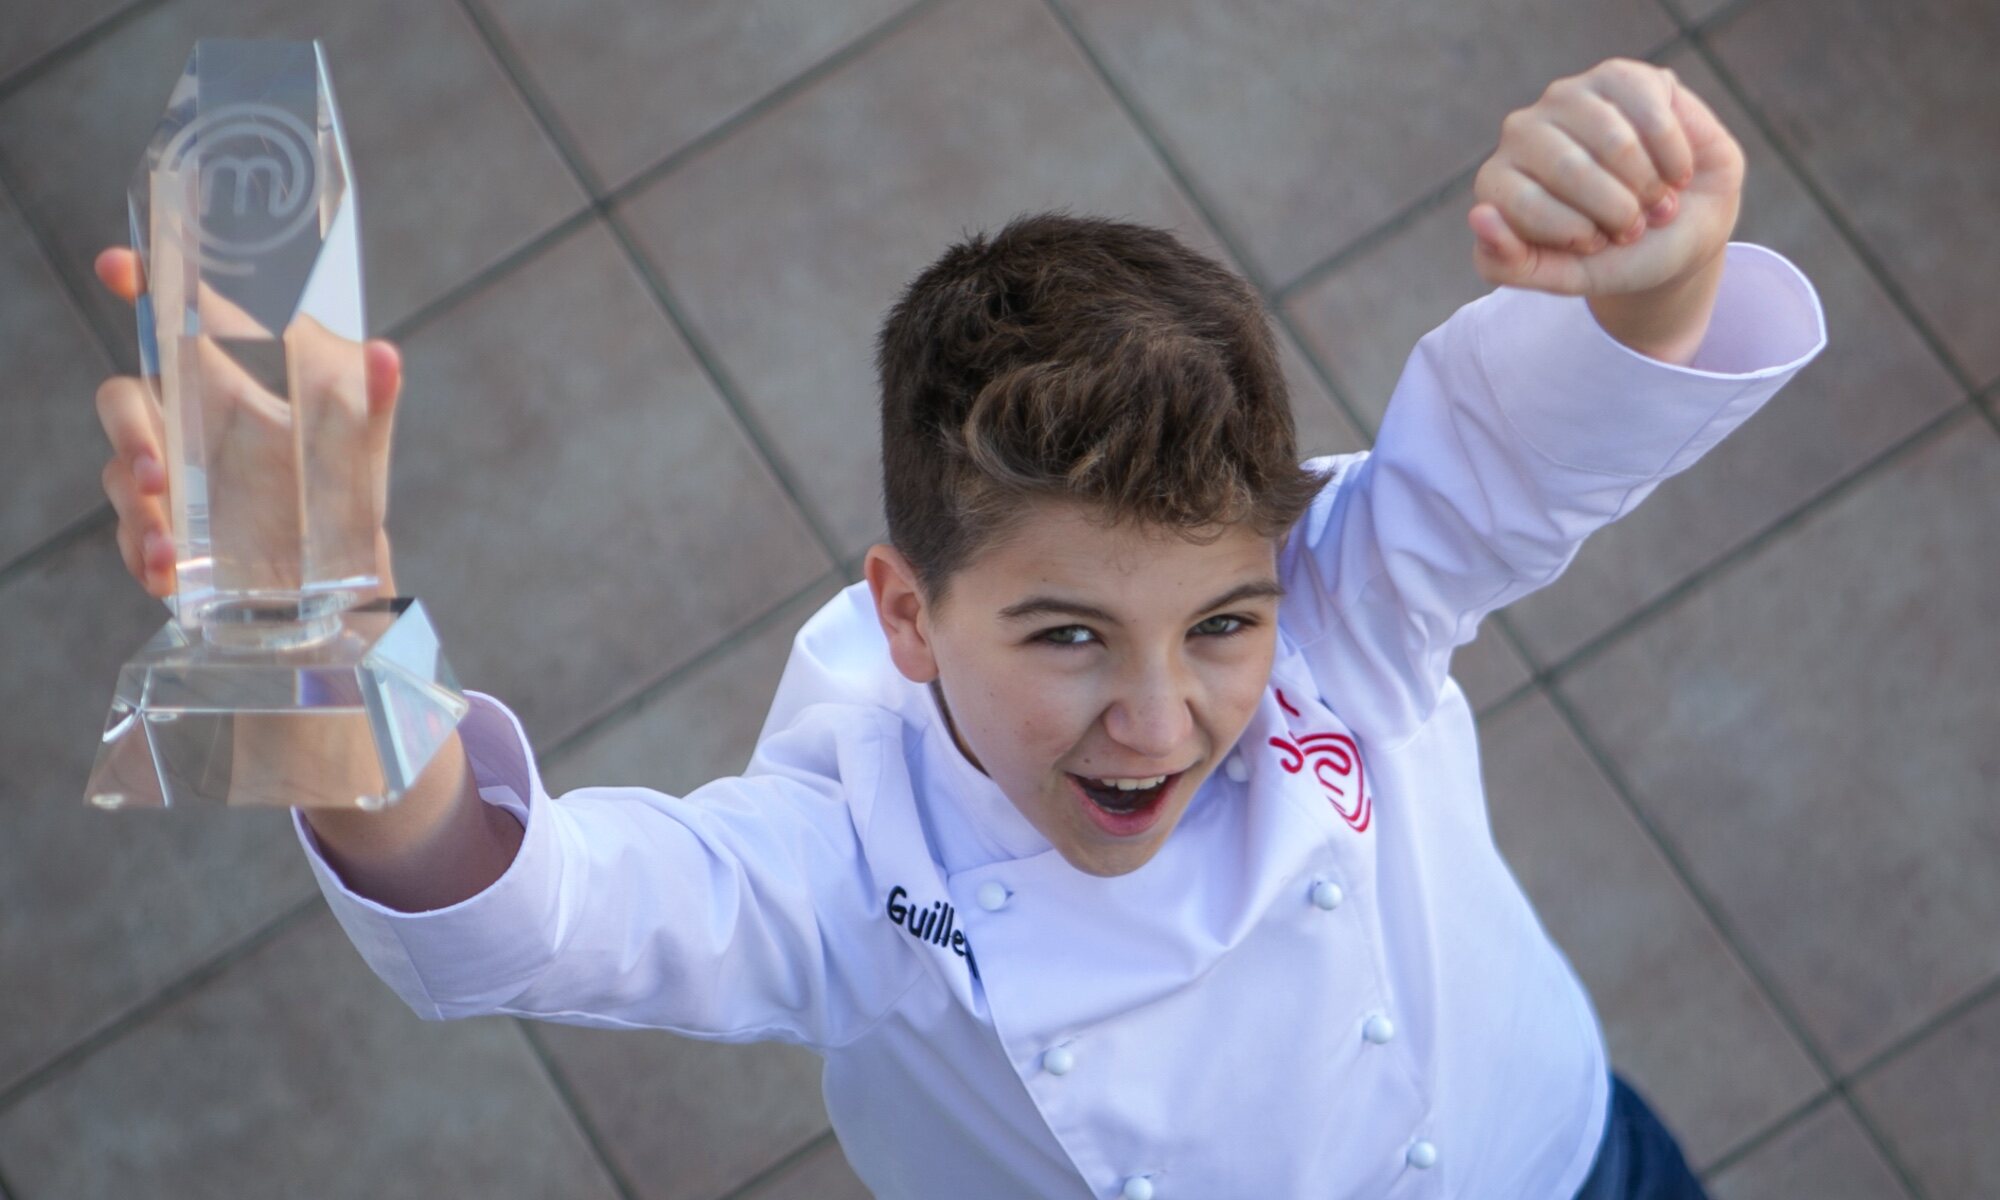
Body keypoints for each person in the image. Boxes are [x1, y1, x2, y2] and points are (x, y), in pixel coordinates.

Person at [91, 57, 1824, 1198]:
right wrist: (314, 649)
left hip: (1563, 1156)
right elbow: (546, 908)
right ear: (907, 614)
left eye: (1220, 622)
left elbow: (1539, 445)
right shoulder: (860, 856)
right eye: (1068, 638)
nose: (1160, 719)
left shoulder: (1348, 601)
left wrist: (1657, 257)